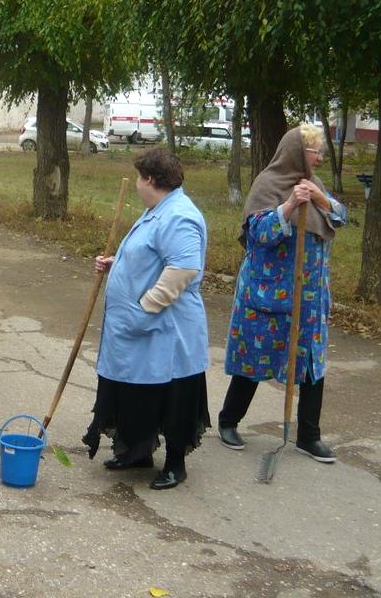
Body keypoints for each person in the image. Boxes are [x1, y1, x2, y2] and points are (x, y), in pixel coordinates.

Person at [82, 148, 210, 490]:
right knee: (137, 394)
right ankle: (137, 451)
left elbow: (182, 269)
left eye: (140, 177)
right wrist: (117, 264)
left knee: (171, 396)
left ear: (150, 179)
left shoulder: (179, 216)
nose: (138, 184)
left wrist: (147, 306)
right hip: (142, 330)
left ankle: (175, 465)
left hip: (167, 331)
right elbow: (151, 256)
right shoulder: (159, 210)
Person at [218, 124, 346, 463]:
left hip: (310, 297)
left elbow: (340, 216)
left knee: (310, 364)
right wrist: (288, 206)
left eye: (320, 152)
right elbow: (258, 234)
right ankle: (228, 421)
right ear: (295, 153)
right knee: (255, 358)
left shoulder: (314, 185)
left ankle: (308, 436)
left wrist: (320, 199)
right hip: (268, 294)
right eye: (314, 152)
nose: (319, 157)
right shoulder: (269, 184)